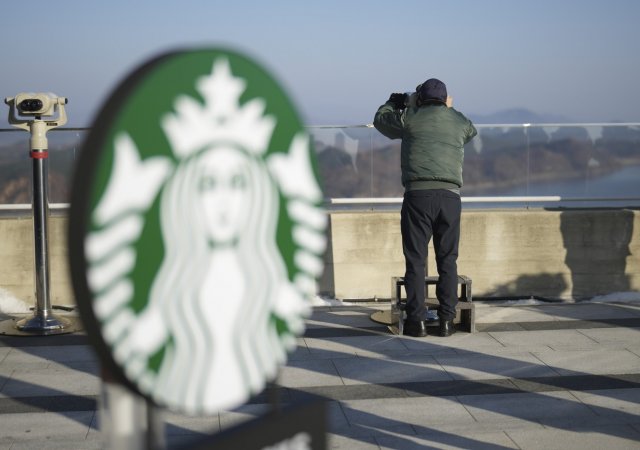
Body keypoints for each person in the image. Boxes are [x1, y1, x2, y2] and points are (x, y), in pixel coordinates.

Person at [374, 78, 477, 337]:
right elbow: (470, 130)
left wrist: (394, 102)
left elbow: (381, 120)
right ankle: (445, 322)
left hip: (418, 196)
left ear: (420, 99)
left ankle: (416, 322)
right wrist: (448, 109)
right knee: (448, 260)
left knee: (416, 260)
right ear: (445, 99)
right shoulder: (457, 120)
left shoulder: (410, 117)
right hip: (450, 198)